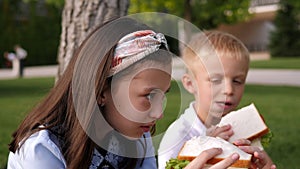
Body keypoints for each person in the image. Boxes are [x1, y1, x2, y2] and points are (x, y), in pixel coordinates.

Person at [7, 18, 241, 169]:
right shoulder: (42, 149)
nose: (158, 113)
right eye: (148, 96)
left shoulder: (137, 135)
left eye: (162, 95)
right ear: (101, 91)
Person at [158, 31, 276, 169]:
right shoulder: (177, 137)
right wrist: (209, 145)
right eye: (215, 80)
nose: (229, 90)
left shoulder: (239, 128)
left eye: (237, 81)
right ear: (190, 84)